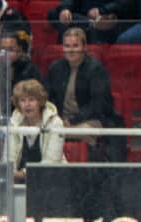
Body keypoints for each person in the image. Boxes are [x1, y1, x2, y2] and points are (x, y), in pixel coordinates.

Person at [46, 28, 126, 161]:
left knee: (82, 132)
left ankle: (88, 165)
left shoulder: (96, 69)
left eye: (75, 46)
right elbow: (50, 98)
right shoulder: (55, 68)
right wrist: (57, 119)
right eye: (67, 46)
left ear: (84, 47)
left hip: (91, 119)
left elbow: (98, 104)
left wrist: (72, 121)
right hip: (61, 120)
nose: (71, 50)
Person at [9, 78, 65, 183]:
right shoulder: (13, 123)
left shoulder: (55, 123)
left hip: (51, 180)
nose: (27, 105)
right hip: (18, 181)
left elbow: (51, 162)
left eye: (31, 100)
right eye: (22, 100)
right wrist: (11, 174)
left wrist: (23, 174)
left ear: (40, 101)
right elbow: (9, 158)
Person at [47, 0, 134, 44]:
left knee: (73, 21)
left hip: (110, 18)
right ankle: (91, 24)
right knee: (55, 14)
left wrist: (102, 10)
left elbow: (126, 3)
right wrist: (65, 9)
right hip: (83, 17)